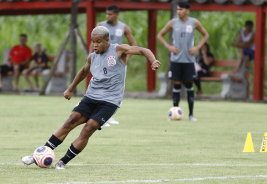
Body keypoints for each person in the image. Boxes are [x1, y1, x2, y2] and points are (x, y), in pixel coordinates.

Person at [22, 26, 161, 169]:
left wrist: (153, 60)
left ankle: (62, 162)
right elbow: (83, 71)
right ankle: (38, 155)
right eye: (93, 41)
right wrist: (70, 89)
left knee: (89, 128)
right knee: (70, 121)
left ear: (107, 40)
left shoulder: (119, 50)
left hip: (110, 101)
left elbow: (144, 50)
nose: (95, 45)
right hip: (91, 96)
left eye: (99, 41)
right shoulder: (92, 56)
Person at [157, 1, 209, 121]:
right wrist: (169, 47)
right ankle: (175, 112)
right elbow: (160, 35)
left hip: (189, 60)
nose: (179, 12)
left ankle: (191, 114)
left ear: (187, 11)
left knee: (189, 86)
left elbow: (205, 35)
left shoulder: (194, 22)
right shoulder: (173, 23)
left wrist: (197, 47)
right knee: (176, 86)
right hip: (176, 60)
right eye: (178, 10)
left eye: (181, 10)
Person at [92, 4, 137, 125]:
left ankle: (108, 116)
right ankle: (97, 115)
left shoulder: (123, 27)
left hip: (116, 64)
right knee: (101, 87)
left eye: (110, 14)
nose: (108, 16)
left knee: (116, 90)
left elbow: (133, 45)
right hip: (102, 61)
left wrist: (125, 59)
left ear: (116, 14)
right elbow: (94, 44)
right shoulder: (101, 26)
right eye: (106, 13)